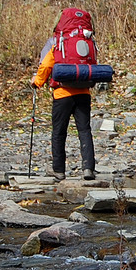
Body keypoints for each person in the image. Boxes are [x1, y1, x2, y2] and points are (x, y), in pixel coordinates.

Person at [32, 22, 97, 181]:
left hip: (62, 93)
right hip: (83, 92)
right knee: (84, 130)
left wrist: (37, 82)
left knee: (59, 132)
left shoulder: (56, 40)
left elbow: (46, 64)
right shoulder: (88, 40)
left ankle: (59, 170)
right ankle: (88, 169)